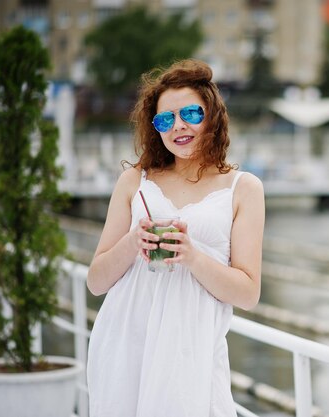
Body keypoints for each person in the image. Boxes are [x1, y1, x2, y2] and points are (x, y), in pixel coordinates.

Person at [86, 59, 265, 417]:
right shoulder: (135, 181)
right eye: (165, 119)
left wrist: (193, 256)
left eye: (191, 114)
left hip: (191, 356)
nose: (178, 126)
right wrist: (133, 241)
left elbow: (248, 293)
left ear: (212, 114)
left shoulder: (243, 189)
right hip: (124, 347)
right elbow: (95, 281)